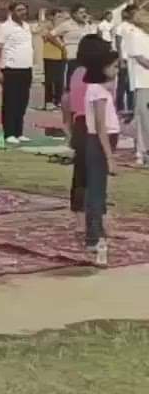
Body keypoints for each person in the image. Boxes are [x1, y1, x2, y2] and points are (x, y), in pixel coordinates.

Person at [63, 35, 112, 234]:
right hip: (92, 125)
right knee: (96, 175)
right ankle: (96, 218)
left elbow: (66, 100)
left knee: (81, 173)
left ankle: (79, 219)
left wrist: (67, 125)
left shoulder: (76, 73)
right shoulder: (97, 77)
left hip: (79, 125)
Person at [82, 49, 121, 258]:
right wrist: (109, 157)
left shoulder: (102, 89)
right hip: (99, 142)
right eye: (114, 66)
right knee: (97, 191)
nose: (117, 70)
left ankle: (95, 234)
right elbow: (99, 126)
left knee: (98, 189)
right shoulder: (97, 90)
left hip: (103, 140)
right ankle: (94, 237)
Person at [0, 2, 35, 145]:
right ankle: (9, 133)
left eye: (24, 9)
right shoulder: (5, 27)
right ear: (12, 12)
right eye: (19, 10)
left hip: (26, 68)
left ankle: (19, 132)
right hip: (11, 68)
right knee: (11, 102)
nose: (23, 12)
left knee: (22, 101)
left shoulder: (26, 26)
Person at [123, 7, 149, 165]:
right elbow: (141, 59)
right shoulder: (134, 34)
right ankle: (142, 152)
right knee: (144, 119)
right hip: (143, 82)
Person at [40, 9, 67, 111]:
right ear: (51, 17)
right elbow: (49, 37)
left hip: (61, 56)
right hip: (50, 55)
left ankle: (58, 100)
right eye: (58, 17)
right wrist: (61, 47)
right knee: (49, 80)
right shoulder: (46, 26)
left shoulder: (63, 27)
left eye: (61, 17)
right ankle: (48, 101)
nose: (60, 19)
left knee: (60, 80)